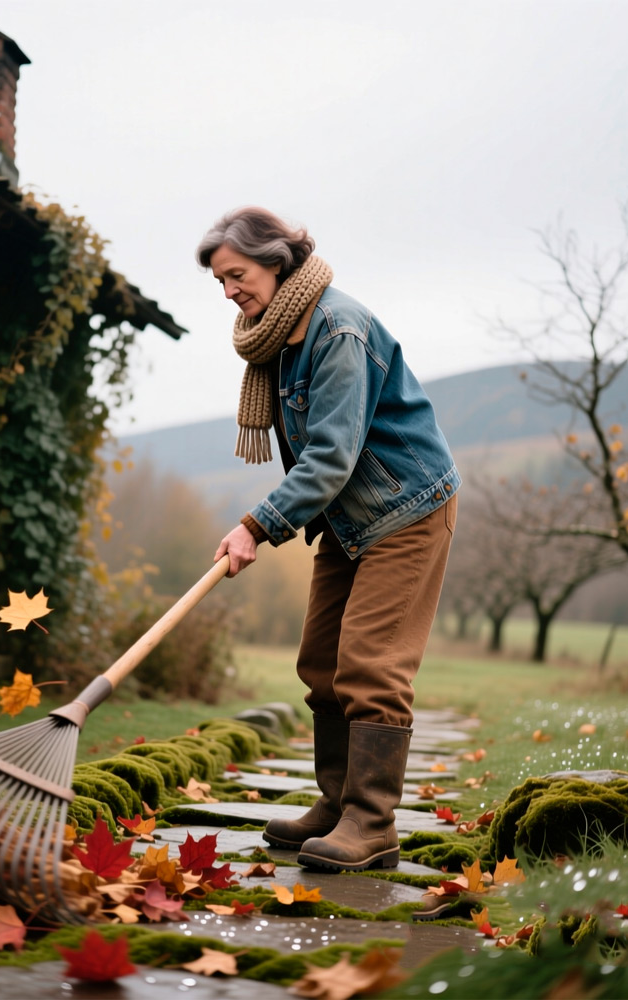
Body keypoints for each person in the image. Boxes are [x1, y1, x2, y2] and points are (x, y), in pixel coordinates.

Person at [197, 207, 460, 873]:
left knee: (371, 666)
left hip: (404, 507)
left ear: (276, 262)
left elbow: (331, 455)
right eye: (220, 282)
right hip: (349, 517)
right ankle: (338, 803)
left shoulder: (338, 329)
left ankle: (372, 824)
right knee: (320, 663)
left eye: (236, 275)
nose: (228, 292)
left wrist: (257, 524)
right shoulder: (279, 336)